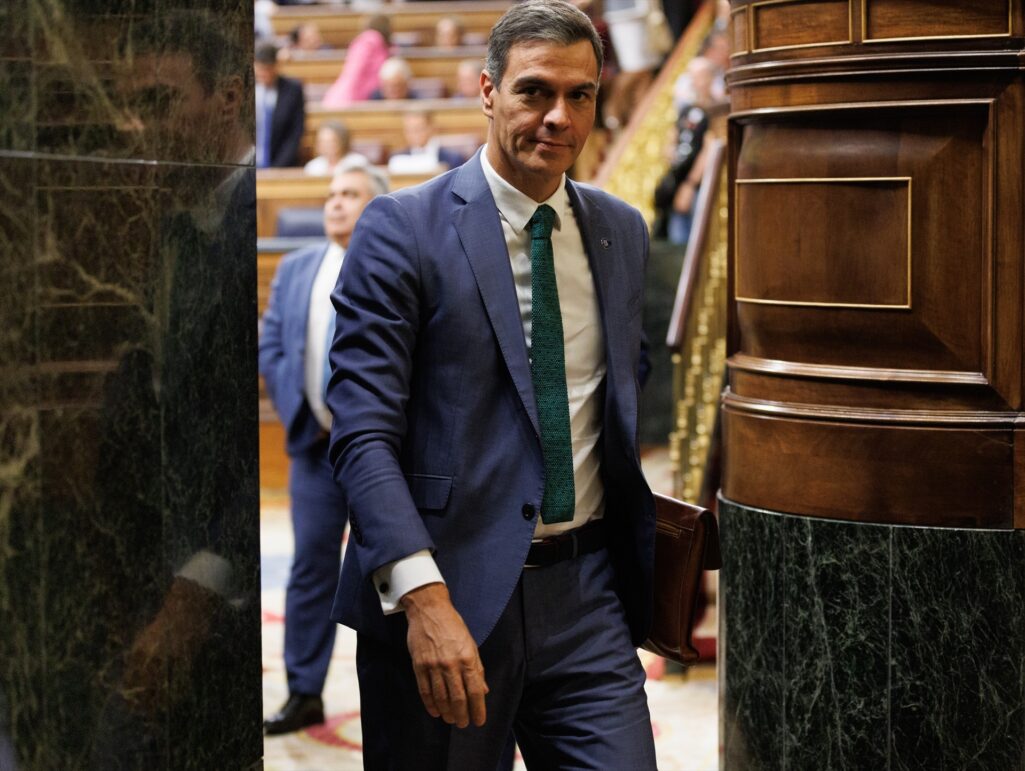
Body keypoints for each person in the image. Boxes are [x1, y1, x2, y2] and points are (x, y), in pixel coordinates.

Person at [325, 1, 657, 767]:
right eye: (534, 91)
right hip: (447, 596)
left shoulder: (620, 230)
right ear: (486, 91)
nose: (558, 115)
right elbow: (362, 434)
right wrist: (421, 596)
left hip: (585, 598)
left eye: (579, 95)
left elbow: (612, 398)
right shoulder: (401, 228)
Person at [259, 159, 389, 735]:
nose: (336, 202)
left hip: (383, 456)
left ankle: (395, 694)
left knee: (388, 570)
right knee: (310, 569)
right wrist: (301, 413)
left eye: (351, 193)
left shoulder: (396, 265)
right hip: (314, 450)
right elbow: (272, 346)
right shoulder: (296, 267)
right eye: (332, 193)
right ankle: (303, 691)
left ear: (376, 205)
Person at [321, 15, 391, 108]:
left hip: (352, 95)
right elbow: (356, 70)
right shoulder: (370, 40)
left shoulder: (367, 41)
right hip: (352, 98)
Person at [254, 42, 305, 167]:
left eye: (268, 69)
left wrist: (277, 169)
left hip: (281, 164)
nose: (264, 73)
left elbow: (295, 134)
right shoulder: (244, 89)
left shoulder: (293, 90)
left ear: (277, 66)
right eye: (260, 69)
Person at [387, 110, 467, 174]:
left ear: (431, 128)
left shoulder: (452, 158)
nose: (414, 134)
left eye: (419, 128)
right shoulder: (397, 157)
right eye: (410, 130)